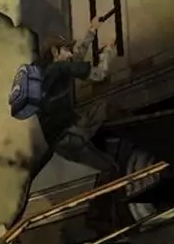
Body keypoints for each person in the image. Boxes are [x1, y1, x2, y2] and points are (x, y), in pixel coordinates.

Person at [35, 16, 125, 174]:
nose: (70, 54)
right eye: (66, 50)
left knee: (107, 166)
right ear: (55, 52)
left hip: (60, 142)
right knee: (105, 107)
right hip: (71, 135)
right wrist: (108, 51)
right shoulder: (60, 68)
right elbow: (98, 75)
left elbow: (77, 58)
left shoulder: (46, 72)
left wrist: (92, 30)